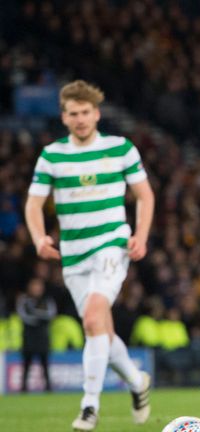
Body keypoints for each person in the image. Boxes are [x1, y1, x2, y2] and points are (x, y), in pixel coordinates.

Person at [25, 80, 153, 431]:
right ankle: (137, 381)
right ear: (63, 118)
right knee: (100, 329)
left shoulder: (121, 149)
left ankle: (89, 406)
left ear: (96, 114)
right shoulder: (52, 155)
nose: (80, 119)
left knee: (95, 317)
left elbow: (144, 195)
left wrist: (140, 235)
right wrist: (38, 238)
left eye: (85, 112)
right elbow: (34, 203)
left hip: (112, 245)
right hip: (73, 254)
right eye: (73, 114)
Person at [16, 277, 56, 392]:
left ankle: (48, 388)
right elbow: (24, 316)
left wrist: (34, 312)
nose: (36, 289)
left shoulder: (47, 300)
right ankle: (23, 388)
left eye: (38, 286)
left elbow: (51, 315)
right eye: (34, 286)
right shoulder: (24, 300)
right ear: (30, 287)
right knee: (26, 364)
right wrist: (40, 317)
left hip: (43, 337)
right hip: (28, 337)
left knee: (45, 364)